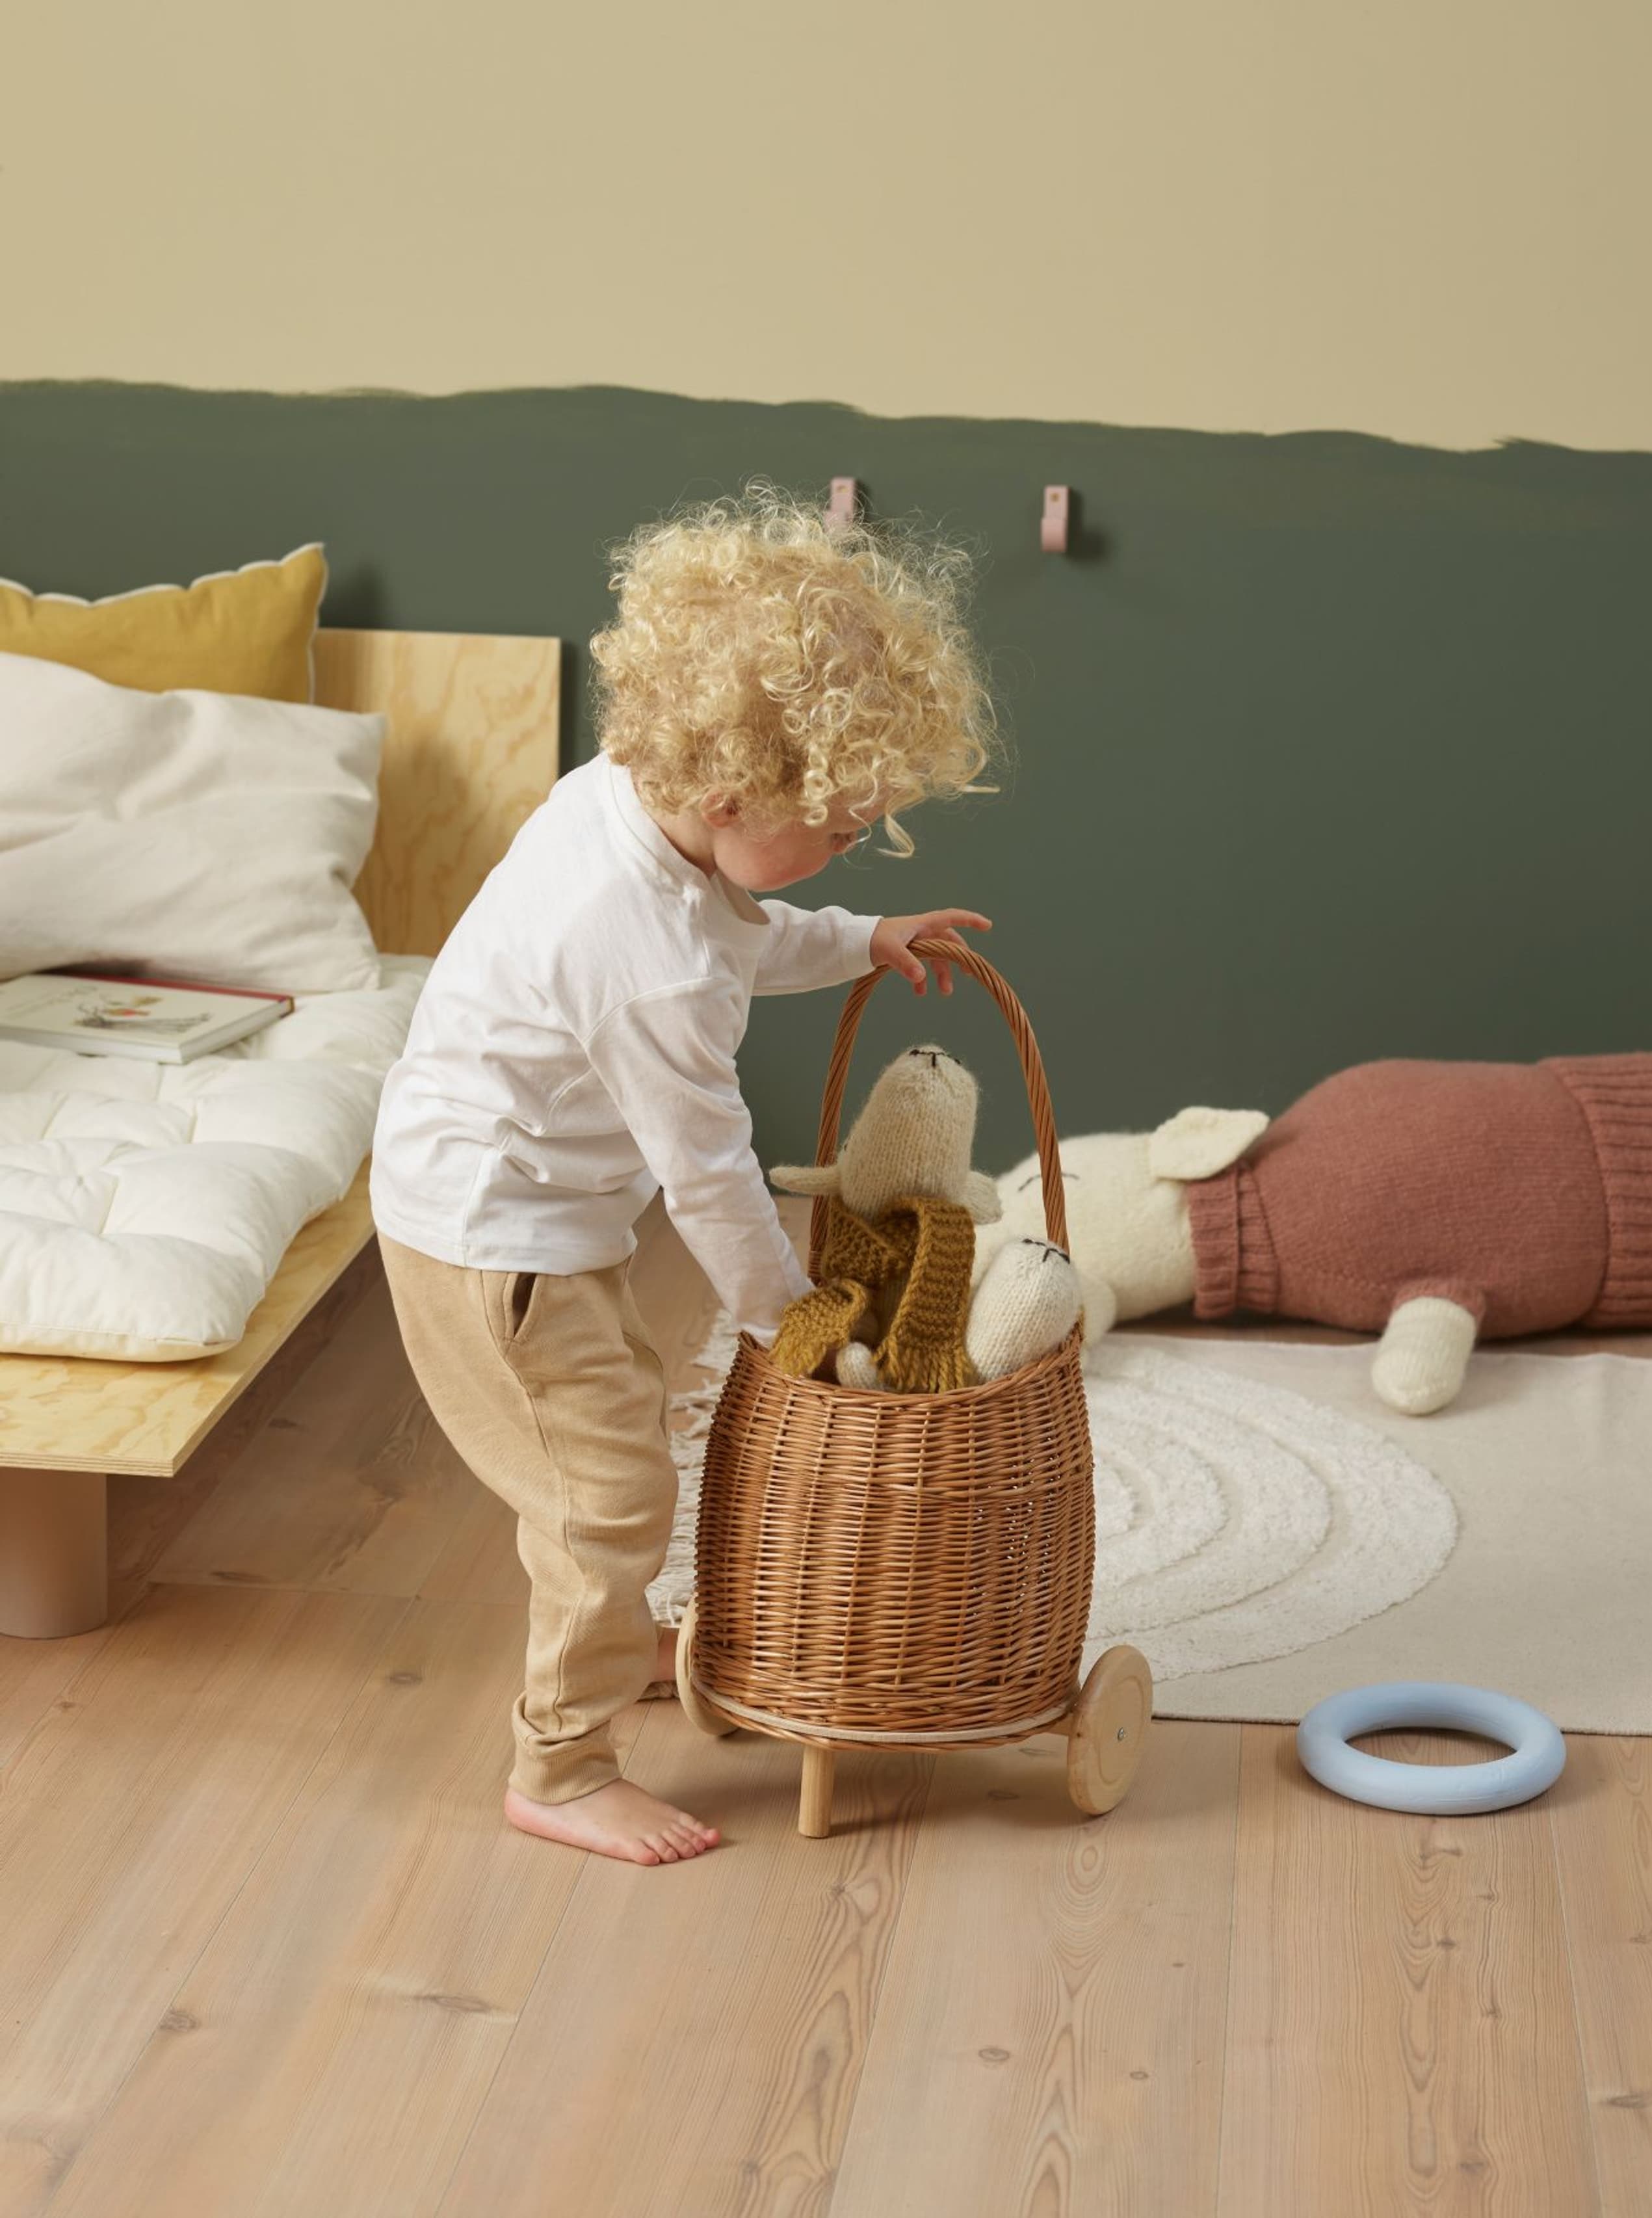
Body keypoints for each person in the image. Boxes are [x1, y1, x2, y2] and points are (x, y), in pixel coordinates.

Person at [371, 481, 998, 1865]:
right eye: (838, 830)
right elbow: (711, 1172)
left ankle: (610, 1634)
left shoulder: (624, 801)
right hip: (495, 1233)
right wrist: (789, 1318)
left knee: (618, 1430)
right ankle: (560, 1764)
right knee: (603, 1495)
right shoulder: (637, 952)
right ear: (729, 795)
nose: (844, 848)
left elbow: (737, 930)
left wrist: (857, 932)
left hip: (513, 1200)